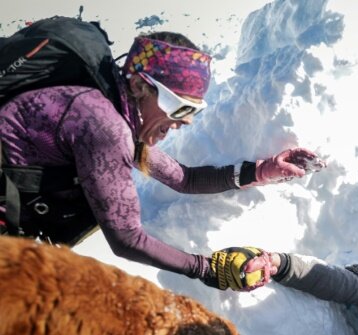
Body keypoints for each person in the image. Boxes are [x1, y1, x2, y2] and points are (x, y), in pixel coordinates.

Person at [0, 30, 322, 291]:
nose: (186, 122)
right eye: (180, 106)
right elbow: (127, 239)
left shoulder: (117, 111)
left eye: (193, 111)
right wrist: (208, 270)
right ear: (141, 85)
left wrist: (263, 170)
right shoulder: (104, 127)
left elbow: (185, 178)